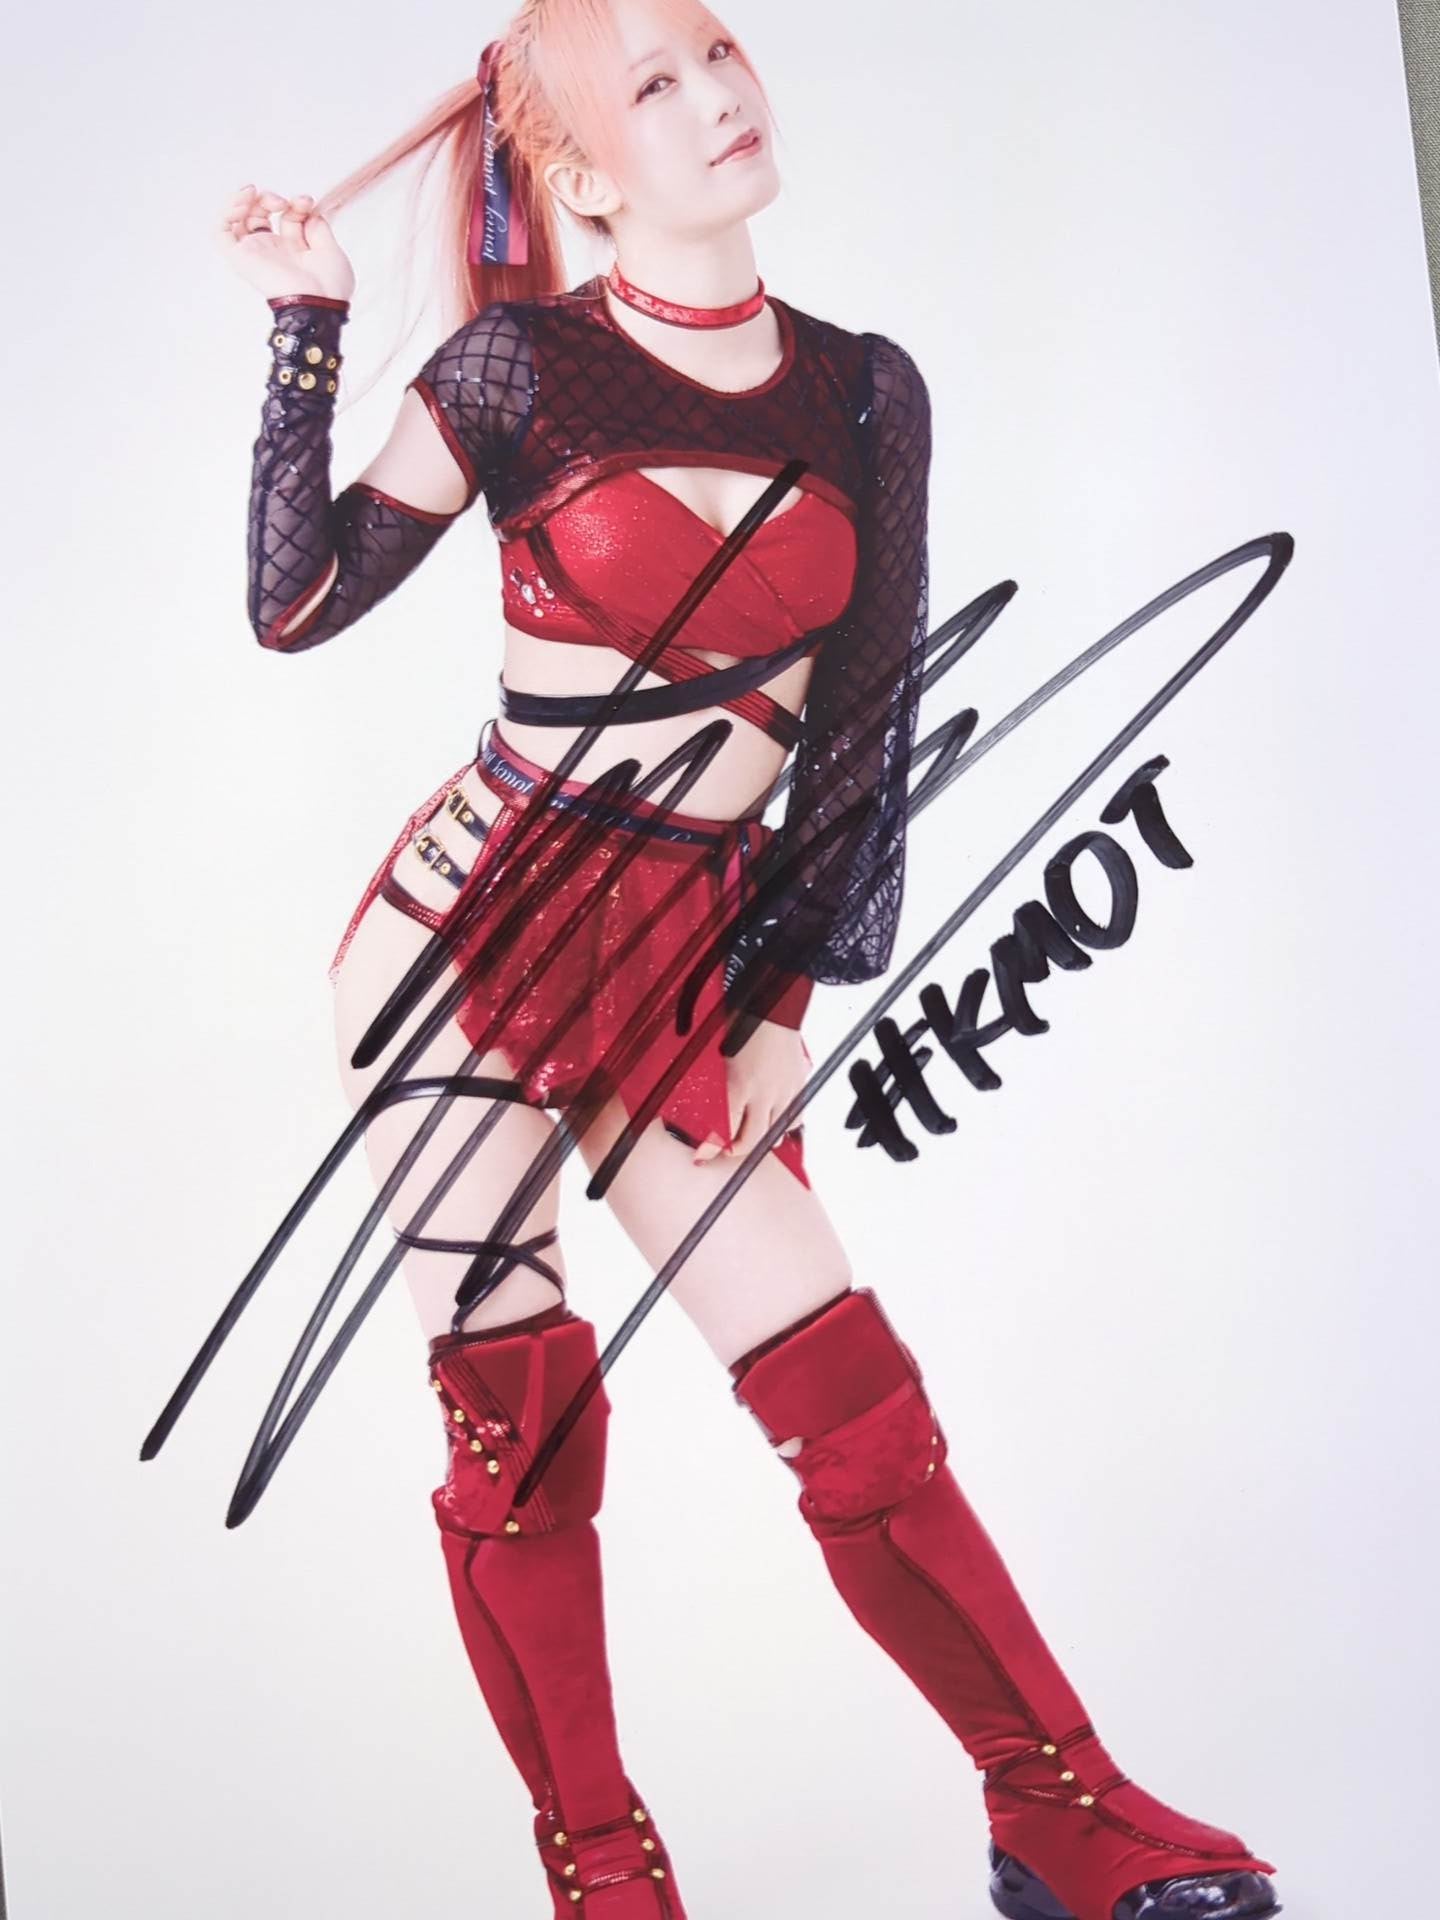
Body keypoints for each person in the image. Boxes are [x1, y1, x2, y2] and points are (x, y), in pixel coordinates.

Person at [219, 3, 1282, 1915]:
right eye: (654, 83)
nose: (717, 95)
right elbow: (295, 603)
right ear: (574, 167)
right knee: (522, 1431)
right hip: (464, 939)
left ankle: (1060, 1809)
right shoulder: (514, 370)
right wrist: (306, 330)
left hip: (684, 956)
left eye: (719, 49)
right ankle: (604, 1876)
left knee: (855, 1404)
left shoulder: (868, 391)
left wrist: (780, 999)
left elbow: (860, 732)